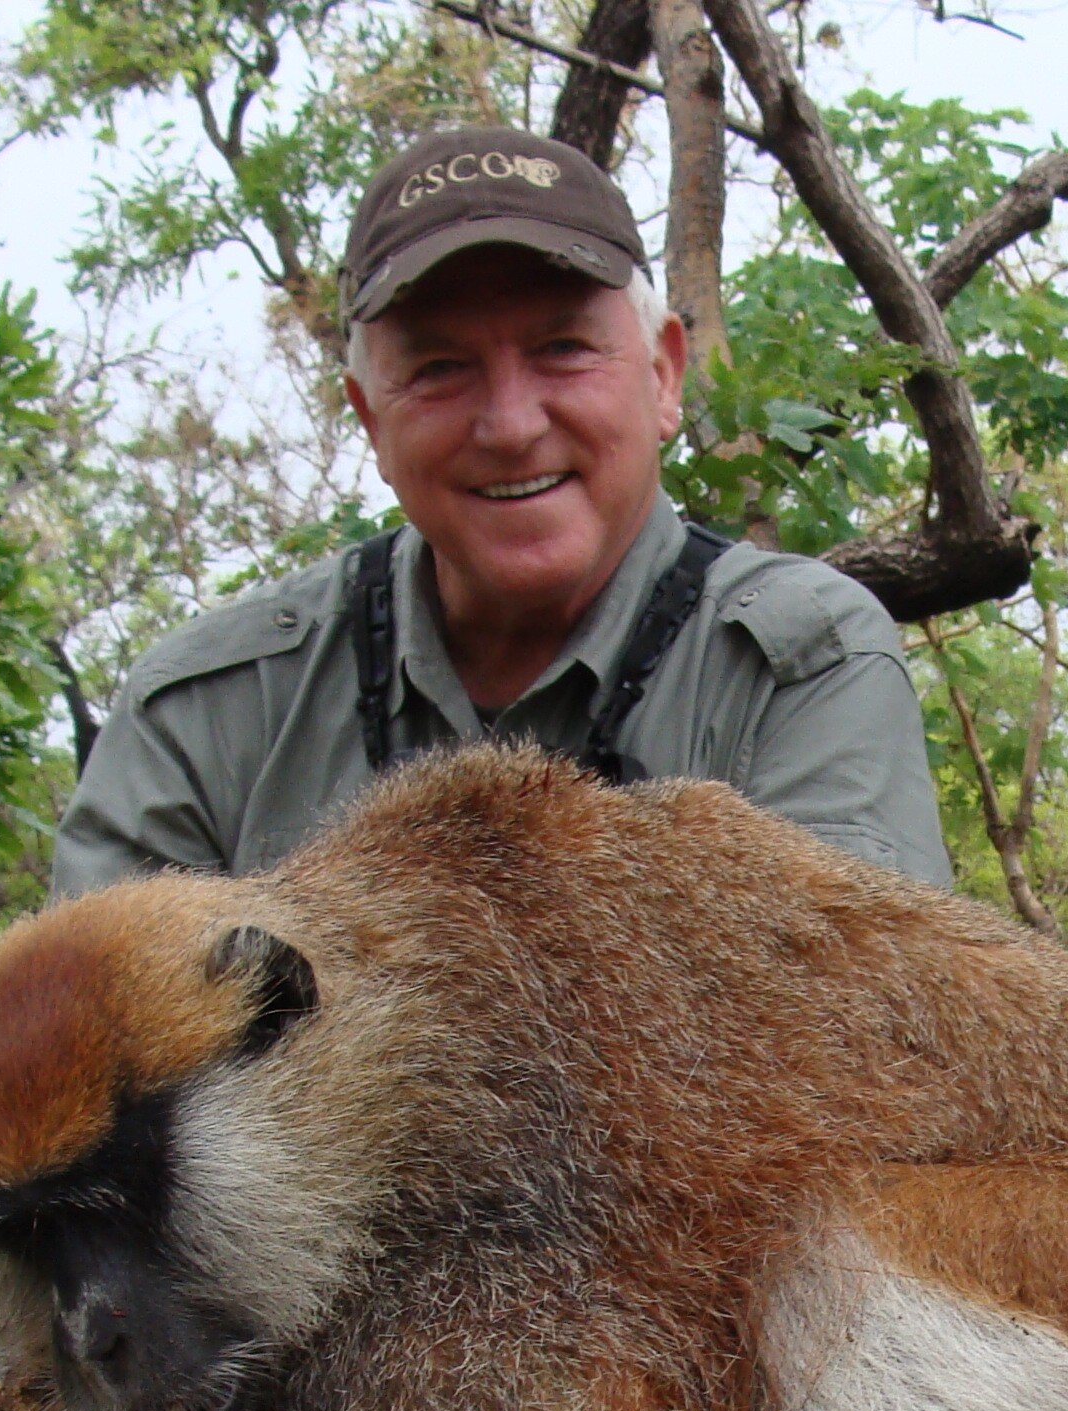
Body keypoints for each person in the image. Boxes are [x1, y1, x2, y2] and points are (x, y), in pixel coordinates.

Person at [54, 127, 952, 895]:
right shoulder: (208, 712)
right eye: (440, 368)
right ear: (370, 418)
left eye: (563, 349)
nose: (511, 425)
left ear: (664, 375)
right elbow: (97, 1070)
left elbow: (845, 1064)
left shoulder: (800, 666)